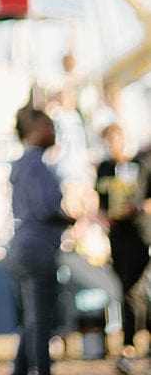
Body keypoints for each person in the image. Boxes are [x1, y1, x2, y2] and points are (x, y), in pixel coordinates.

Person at [6, 107, 72, 375]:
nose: (53, 131)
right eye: (48, 125)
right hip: (37, 249)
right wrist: (73, 218)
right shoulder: (36, 164)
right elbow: (46, 208)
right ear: (32, 128)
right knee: (42, 320)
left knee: (32, 319)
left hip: (20, 247)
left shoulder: (22, 164)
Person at [95, 122, 149, 366]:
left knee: (137, 288)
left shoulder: (141, 165)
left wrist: (138, 208)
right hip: (118, 236)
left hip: (140, 234)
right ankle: (130, 342)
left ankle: (133, 339)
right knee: (126, 287)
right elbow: (100, 200)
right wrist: (104, 215)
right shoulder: (106, 168)